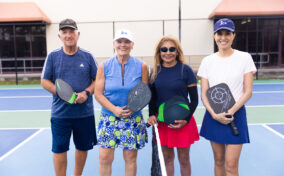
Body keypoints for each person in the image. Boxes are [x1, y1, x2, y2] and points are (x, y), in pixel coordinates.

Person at [197, 18, 256, 176]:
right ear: (214, 36)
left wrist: (231, 111)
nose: (223, 37)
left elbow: (248, 91)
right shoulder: (207, 61)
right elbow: (204, 93)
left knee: (231, 165)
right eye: (220, 33)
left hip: (236, 115)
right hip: (213, 115)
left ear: (233, 35)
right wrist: (215, 114)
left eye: (227, 33)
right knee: (218, 160)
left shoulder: (245, 58)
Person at [41, 18, 98, 176]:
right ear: (59, 36)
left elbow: (98, 81)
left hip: (84, 114)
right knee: (59, 148)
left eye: (71, 31)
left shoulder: (88, 56)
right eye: (64, 32)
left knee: (82, 147)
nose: (68, 35)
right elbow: (44, 81)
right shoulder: (53, 56)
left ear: (78, 34)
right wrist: (63, 93)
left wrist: (86, 93)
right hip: (60, 114)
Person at [95, 29, 149, 176]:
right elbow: (98, 94)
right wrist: (114, 109)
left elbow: (144, 92)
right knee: (105, 158)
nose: (122, 45)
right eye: (119, 41)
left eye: (126, 42)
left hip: (133, 118)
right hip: (109, 118)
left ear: (132, 45)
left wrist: (133, 108)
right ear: (114, 44)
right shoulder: (104, 66)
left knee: (130, 158)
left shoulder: (142, 66)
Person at [147, 35, 199, 176]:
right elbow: (152, 98)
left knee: (184, 159)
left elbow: (194, 100)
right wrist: (151, 114)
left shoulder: (185, 70)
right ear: (159, 52)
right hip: (163, 123)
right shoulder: (155, 71)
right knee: (167, 159)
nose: (168, 52)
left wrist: (186, 120)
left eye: (172, 49)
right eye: (164, 49)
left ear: (177, 51)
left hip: (183, 121)